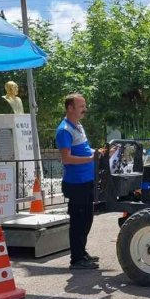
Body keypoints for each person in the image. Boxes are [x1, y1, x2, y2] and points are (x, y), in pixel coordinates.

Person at [56, 93, 101, 269]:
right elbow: (66, 158)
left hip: (86, 180)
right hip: (76, 183)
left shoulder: (78, 126)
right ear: (70, 108)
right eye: (81, 106)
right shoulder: (64, 130)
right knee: (78, 221)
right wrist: (90, 159)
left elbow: (84, 149)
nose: (85, 109)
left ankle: (81, 252)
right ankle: (77, 258)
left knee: (87, 219)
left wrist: (98, 152)